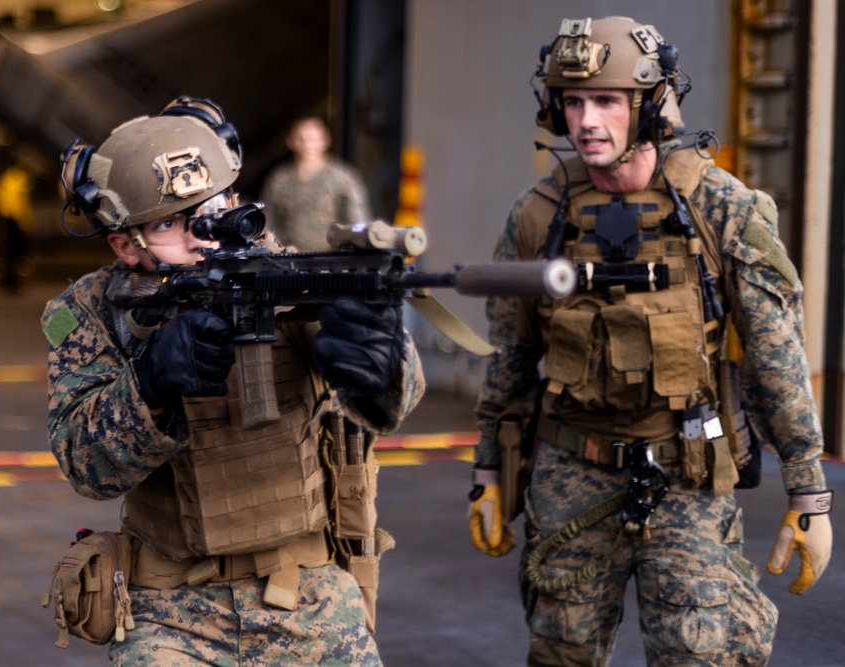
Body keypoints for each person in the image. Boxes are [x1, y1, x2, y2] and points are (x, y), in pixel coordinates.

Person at [466, 16, 833, 667]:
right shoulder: (537, 215)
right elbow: (512, 356)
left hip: (688, 474)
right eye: (572, 101)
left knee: (701, 653)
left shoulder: (724, 211)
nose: (585, 120)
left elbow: (778, 357)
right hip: (569, 472)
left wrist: (808, 493)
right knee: (560, 652)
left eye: (606, 100)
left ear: (652, 105)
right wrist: (489, 468)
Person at [43, 96, 424, 665]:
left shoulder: (292, 278)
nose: (204, 234)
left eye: (214, 208)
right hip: (169, 614)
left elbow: (393, 404)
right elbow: (84, 464)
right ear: (126, 244)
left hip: (314, 605)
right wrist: (149, 387)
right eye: (173, 223)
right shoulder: (94, 314)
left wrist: (380, 355)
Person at [260, 115, 371, 251]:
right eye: (301, 139)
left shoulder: (342, 178)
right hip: (288, 260)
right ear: (290, 141)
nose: (307, 145)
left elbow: (357, 222)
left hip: (330, 258)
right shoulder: (279, 179)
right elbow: (267, 221)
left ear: (325, 140)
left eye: (312, 139)